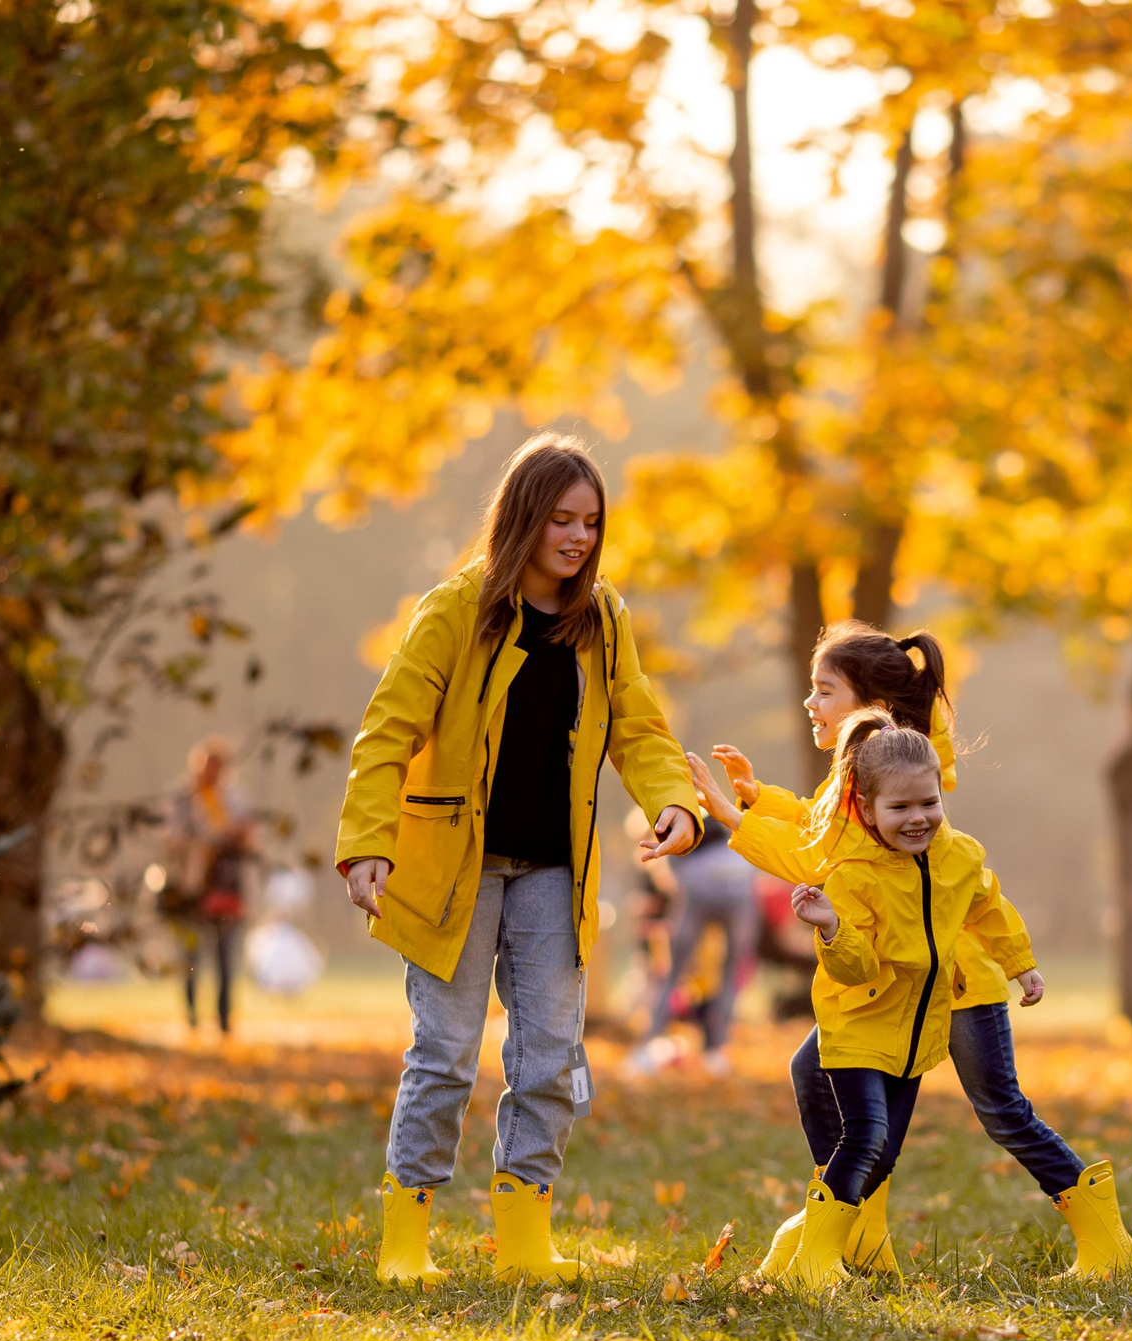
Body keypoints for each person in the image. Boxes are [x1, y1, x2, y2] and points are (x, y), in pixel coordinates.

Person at [334, 433, 701, 1286]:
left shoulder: (602, 619)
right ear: (524, 519)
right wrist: (365, 845)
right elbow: (387, 731)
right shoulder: (457, 608)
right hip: (452, 869)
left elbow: (639, 728)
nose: (577, 538)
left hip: (550, 871)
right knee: (447, 1052)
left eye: (592, 523)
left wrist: (671, 801)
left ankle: (525, 1238)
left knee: (549, 1053)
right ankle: (406, 1239)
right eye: (561, 520)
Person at [688, 620, 1132, 1279]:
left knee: (1004, 1113)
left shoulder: (904, 791)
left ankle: (1105, 1239)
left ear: (871, 706)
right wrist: (754, 799)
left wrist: (735, 819)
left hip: (954, 985)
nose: (811, 704)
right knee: (819, 1078)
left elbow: (821, 853)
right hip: (895, 984)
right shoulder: (869, 782)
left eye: (824, 691)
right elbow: (821, 829)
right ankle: (849, 1230)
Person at [625, 811, 759, 1078]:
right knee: (729, 974)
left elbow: (672, 881)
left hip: (698, 884)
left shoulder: (670, 820)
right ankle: (718, 1052)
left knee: (673, 972)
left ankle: (645, 1050)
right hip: (741, 880)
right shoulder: (708, 820)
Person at [161, 735, 256, 1034]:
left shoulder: (235, 800)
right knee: (190, 957)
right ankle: (191, 1019)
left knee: (225, 957)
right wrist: (207, 842)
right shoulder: (181, 799)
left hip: (227, 887)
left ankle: (224, 1021)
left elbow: (250, 839)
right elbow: (169, 840)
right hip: (191, 887)